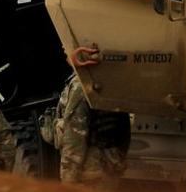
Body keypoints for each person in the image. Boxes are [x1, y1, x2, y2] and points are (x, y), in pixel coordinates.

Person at [55, 47, 131, 189]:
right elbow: (124, 129)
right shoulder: (110, 82)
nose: (64, 48)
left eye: (69, 46)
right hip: (109, 167)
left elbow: (75, 138)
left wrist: (67, 181)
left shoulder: (81, 85)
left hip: (88, 174)